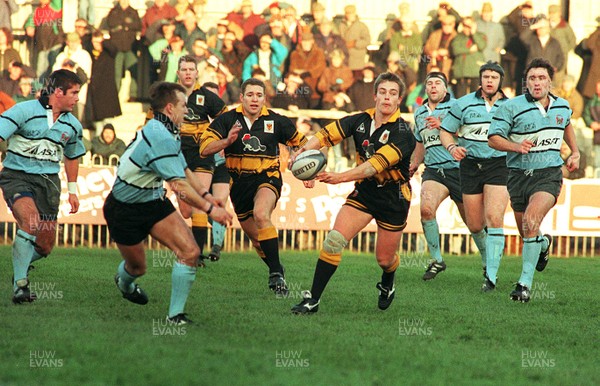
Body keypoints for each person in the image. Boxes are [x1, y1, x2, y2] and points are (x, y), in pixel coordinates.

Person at [104, 82, 232, 325]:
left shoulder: (169, 129)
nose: (188, 110)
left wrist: (206, 196)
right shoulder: (159, 135)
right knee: (137, 267)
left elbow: (183, 167)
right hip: (124, 209)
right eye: (184, 105)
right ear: (170, 107)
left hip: (152, 201)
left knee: (191, 252)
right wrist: (211, 210)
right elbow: (179, 185)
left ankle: (175, 316)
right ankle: (125, 283)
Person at [290, 72, 416, 314]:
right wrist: (301, 156)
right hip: (366, 192)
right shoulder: (359, 120)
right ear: (375, 95)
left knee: (384, 259)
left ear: (399, 100)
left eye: (392, 94)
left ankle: (388, 281)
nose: (387, 98)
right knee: (334, 240)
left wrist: (338, 178)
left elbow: (372, 166)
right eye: (383, 92)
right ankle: (313, 300)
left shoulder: (403, 134)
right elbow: (324, 136)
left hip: (394, 198)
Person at [199, 78, 308, 296]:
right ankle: (277, 270)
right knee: (258, 242)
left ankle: (275, 274)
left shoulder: (277, 121)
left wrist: (307, 169)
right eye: (250, 95)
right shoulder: (227, 119)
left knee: (261, 214)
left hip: (267, 177)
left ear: (264, 98)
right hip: (239, 184)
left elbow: (304, 144)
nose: (255, 99)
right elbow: (204, 148)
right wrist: (226, 142)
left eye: (259, 95)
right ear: (241, 97)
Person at [488, 58, 579, 302]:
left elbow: (566, 124)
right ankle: (542, 244)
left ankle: (524, 285)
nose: (537, 82)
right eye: (532, 78)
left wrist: (575, 151)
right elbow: (493, 138)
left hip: (548, 174)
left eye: (541, 78)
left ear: (550, 81)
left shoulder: (562, 105)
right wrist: (516, 146)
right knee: (527, 232)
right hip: (518, 176)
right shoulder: (510, 107)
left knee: (530, 220)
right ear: (525, 82)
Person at [0, 70, 86, 303]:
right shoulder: (23, 110)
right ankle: (20, 285)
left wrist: (73, 191)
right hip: (16, 176)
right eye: (74, 93)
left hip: (48, 183)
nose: (78, 98)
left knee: (45, 245)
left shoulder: (73, 125)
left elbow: (72, 156)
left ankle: (20, 268)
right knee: (30, 221)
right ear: (58, 92)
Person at [439, 61, 510, 291]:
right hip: (469, 166)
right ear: (480, 80)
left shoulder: (511, 106)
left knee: (494, 217)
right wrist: (452, 148)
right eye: (486, 76)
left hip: (499, 165)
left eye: (494, 77)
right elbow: (446, 131)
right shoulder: (462, 103)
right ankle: (488, 256)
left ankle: (491, 275)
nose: (490, 80)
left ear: (501, 81)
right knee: (475, 223)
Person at [409, 72, 468, 280]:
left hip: (459, 169)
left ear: (445, 89)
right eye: (430, 83)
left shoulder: (458, 107)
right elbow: (419, 142)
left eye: (438, 83)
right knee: (426, 210)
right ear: (426, 89)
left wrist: (445, 128)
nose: (433, 87)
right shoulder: (419, 113)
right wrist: (414, 163)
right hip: (433, 170)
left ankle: (489, 268)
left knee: (474, 223)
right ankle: (436, 260)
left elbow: (471, 134)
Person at [175, 56, 227, 259]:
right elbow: (154, 121)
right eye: (184, 69)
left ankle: (196, 255)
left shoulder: (206, 96)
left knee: (198, 201)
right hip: (177, 154)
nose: (188, 73)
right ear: (178, 73)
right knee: (186, 210)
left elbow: (226, 119)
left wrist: (221, 142)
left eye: (191, 69)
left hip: (202, 154)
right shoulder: (170, 96)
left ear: (197, 73)